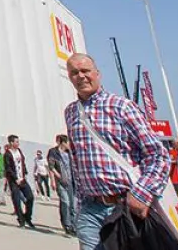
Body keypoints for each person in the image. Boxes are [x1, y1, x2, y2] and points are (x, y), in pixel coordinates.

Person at [63, 53, 169, 250]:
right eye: (74, 73)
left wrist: (141, 193)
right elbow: (77, 160)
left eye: (85, 71)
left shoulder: (122, 106)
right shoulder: (71, 112)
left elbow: (157, 154)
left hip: (126, 206)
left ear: (98, 73)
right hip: (90, 210)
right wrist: (79, 206)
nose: (81, 76)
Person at [48, 134, 77, 237]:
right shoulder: (53, 152)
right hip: (61, 181)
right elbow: (51, 166)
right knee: (66, 202)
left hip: (72, 182)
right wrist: (54, 179)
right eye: (68, 142)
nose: (69, 145)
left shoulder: (70, 153)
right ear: (63, 142)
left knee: (74, 205)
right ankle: (67, 225)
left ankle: (74, 226)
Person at [4, 134, 36, 228]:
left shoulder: (19, 151)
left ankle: (27, 217)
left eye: (18, 141)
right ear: (11, 143)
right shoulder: (7, 154)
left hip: (22, 179)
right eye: (16, 142)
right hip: (14, 181)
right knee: (17, 201)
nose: (18, 143)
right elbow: (8, 168)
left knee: (30, 197)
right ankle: (21, 219)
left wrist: (25, 173)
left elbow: (22, 162)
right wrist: (15, 178)